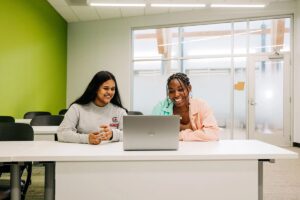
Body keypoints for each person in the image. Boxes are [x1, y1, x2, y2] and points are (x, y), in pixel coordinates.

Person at [57, 71, 127, 145]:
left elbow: (130, 135)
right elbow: (62, 133)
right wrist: (87, 138)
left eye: (112, 89)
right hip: (82, 153)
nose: (110, 92)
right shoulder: (76, 108)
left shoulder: (120, 111)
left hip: (111, 154)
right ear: (96, 89)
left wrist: (113, 134)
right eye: (106, 88)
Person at [152, 72, 220, 141]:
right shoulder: (161, 107)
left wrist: (181, 136)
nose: (176, 95)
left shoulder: (201, 105)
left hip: (197, 149)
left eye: (180, 89)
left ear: (189, 88)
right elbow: (152, 133)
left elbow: (213, 134)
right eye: (171, 91)